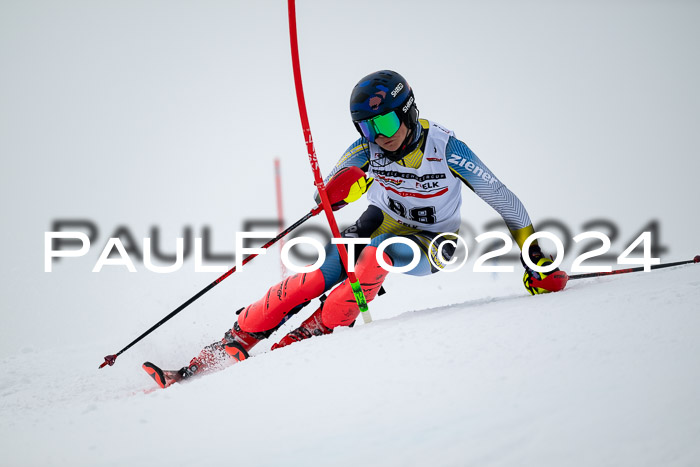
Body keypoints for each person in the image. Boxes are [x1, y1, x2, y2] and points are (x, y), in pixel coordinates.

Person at [145, 70, 566, 388]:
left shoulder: (447, 148)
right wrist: (342, 188)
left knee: (378, 250)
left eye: (383, 124)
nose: (377, 137)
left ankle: (312, 335)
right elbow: (326, 194)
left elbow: (505, 201)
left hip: (432, 241)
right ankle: (232, 343)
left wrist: (536, 261)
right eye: (366, 128)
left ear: (409, 112)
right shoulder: (367, 148)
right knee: (320, 275)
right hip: (377, 222)